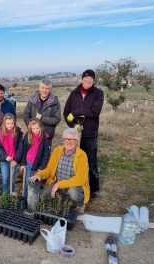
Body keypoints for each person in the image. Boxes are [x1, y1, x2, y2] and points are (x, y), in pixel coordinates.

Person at [63, 69, 104, 200]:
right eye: (86, 78)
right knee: (75, 162)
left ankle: (93, 189)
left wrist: (76, 112)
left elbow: (95, 112)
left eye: (91, 78)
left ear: (93, 80)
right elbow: (66, 113)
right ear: (82, 79)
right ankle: (76, 186)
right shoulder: (74, 94)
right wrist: (72, 126)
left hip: (90, 134)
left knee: (91, 162)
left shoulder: (98, 93)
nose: (88, 80)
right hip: (76, 135)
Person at [28, 128, 90, 214]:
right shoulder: (58, 151)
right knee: (42, 196)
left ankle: (80, 205)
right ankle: (63, 198)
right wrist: (39, 175)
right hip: (58, 183)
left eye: (72, 140)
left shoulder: (81, 155)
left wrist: (58, 184)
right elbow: (49, 169)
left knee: (74, 193)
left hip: (74, 185)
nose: (69, 142)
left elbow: (81, 179)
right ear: (63, 140)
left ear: (77, 141)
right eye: (67, 139)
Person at [23, 79, 61, 147]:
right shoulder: (32, 100)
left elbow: (57, 119)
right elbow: (26, 114)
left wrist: (42, 118)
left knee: (45, 156)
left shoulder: (55, 102)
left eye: (47, 88)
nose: (44, 91)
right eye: (43, 88)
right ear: (39, 88)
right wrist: (31, 126)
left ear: (50, 89)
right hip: (32, 135)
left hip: (47, 135)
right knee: (32, 155)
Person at [20, 118, 50, 199]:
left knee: (37, 182)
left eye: (37, 128)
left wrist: (42, 167)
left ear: (40, 127)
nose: (35, 130)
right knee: (27, 181)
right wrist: (23, 163)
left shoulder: (45, 139)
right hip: (28, 162)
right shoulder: (27, 136)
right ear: (30, 129)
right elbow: (23, 151)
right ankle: (26, 197)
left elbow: (46, 155)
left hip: (38, 164)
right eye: (33, 129)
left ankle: (35, 198)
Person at [0, 113, 23, 194]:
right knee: (5, 177)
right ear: (4, 123)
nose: (10, 125)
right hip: (4, 159)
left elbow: (20, 148)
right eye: (8, 123)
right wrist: (5, 156)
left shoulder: (18, 133)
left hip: (13, 160)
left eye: (12, 123)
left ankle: (11, 192)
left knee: (12, 177)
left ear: (14, 123)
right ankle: (5, 193)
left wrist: (16, 160)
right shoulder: (0, 133)